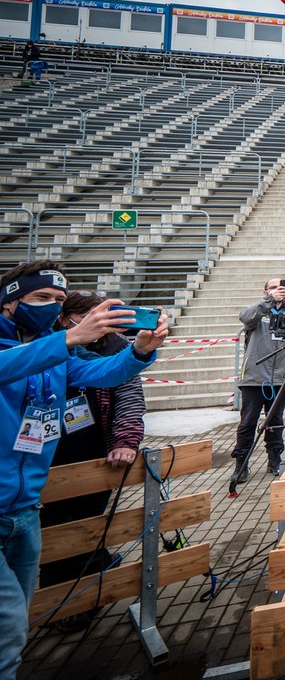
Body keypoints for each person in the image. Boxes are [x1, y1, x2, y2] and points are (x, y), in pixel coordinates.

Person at [0, 261, 167, 676]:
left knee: (14, 622)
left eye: (57, 300)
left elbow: (102, 373)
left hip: (24, 509)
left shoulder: (57, 350)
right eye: (41, 298)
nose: (51, 307)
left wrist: (140, 351)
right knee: (7, 630)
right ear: (9, 301)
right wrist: (70, 336)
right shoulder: (46, 346)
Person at [40, 292, 147, 608]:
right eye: (90, 318)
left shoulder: (115, 349)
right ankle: (55, 601)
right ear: (65, 320)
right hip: (43, 459)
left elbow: (129, 397)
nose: (100, 325)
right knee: (52, 533)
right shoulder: (44, 349)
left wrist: (125, 441)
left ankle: (85, 596)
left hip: (94, 456)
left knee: (87, 525)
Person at [235, 277, 285, 478]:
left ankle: (274, 460)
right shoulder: (259, 311)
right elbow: (245, 317)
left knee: (275, 421)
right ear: (266, 292)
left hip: (281, 377)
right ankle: (241, 464)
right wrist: (269, 301)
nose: (278, 291)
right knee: (248, 422)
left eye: (281, 288)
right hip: (255, 378)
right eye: (273, 288)